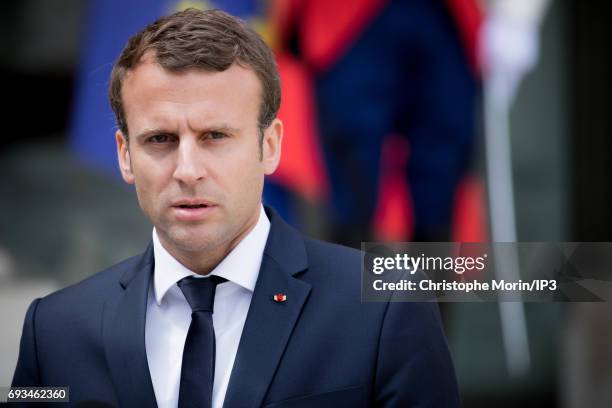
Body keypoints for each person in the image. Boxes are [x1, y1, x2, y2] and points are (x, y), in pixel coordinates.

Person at [12, 8, 459, 407]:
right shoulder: (52, 330)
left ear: (270, 146)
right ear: (125, 154)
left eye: (216, 137)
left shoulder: (388, 311)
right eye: (160, 140)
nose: (187, 170)